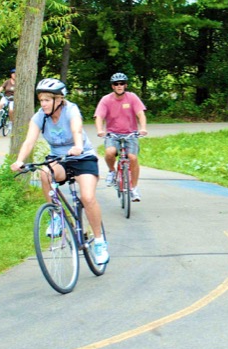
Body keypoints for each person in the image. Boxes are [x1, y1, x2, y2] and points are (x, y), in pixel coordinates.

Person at [10, 78, 109, 265]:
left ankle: (99, 242)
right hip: (59, 160)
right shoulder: (40, 116)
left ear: (59, 99)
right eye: (41, 100)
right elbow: (29, 140)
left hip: (82, 157)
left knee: (87, 198)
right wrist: (20, 160)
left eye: (47, 100)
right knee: (44, 173)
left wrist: (78, 146)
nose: (43, 104)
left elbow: (76, 130)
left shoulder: (71, 110)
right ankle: (56, 217)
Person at [95, 72, 148, 202]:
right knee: (109, 152)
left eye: (122, 83)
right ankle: (112, 171)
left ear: (126, 85)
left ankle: (134, 189)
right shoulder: (106, 100)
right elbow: (99, 117)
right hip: (113, 134)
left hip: (130, 134)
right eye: (116, 84)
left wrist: (143, 128)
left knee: (132, 158)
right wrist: (100, 130)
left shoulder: (132, 97)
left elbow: (140, 114)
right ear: (112, 86)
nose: (119, 86)